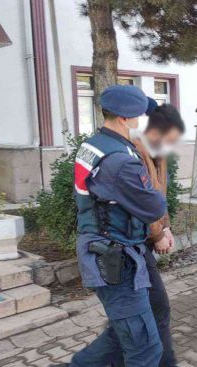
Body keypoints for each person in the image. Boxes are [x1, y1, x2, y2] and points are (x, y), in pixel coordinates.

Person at [62, 85, 167, 367]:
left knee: (123, 335)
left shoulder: (94, 144)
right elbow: (154, 206)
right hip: (116, 259)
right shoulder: (121, 160)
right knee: (146, 350)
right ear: (123, 118)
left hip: (102, 247)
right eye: (138, 116)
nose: (141, 121)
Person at [129, 101, 186, 367]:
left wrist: (166, 226)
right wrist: (157, 233)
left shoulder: (158, 154)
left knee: (139, 311)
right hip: (134, 242)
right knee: (158, 306)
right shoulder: (135, 153)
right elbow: (141, 200)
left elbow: (158, 197)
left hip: (145, 239)